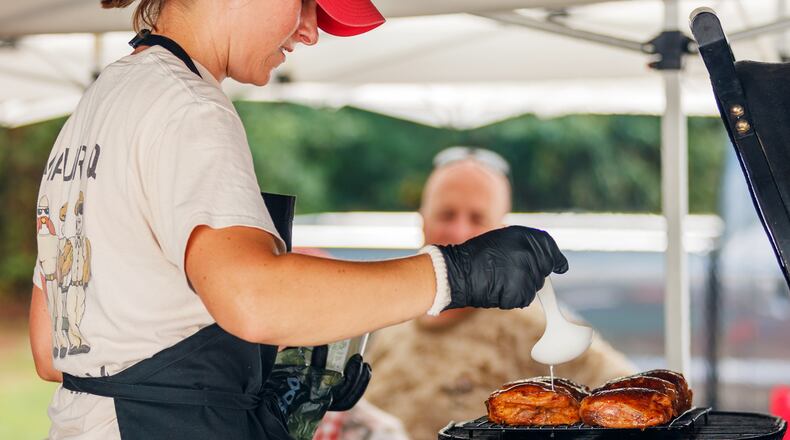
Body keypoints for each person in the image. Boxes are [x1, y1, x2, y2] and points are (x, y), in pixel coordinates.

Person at [27, 2, 569, 440]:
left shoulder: (99, 106)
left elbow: (52, 348)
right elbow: (253, 298)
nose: (310, 32)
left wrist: (274, 378)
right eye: (305, 3)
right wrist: (455, 273)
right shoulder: (190, 108)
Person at [360, 147, 637, 440]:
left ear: (501, 232)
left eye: (477, 218)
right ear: (422, 220)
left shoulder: (534, 326)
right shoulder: (391, 324)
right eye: (446, 214)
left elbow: (630, 397)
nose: (458, 232)